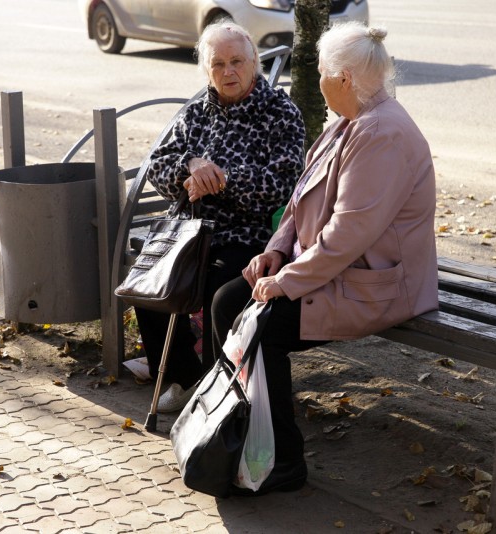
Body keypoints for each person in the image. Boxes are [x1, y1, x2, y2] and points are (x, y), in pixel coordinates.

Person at [212, 22, 438, 494]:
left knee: (261, 328)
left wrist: (288, 280)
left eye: (319, 72)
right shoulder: (348, 120)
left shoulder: (382, 132)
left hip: (371, 282)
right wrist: (276, 251)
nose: (316, 80)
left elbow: (349, 233)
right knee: (227, 302)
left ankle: (283, 461)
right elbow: (301, 203)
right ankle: (251, 437)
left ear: (344, 79)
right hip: (332, 268)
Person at [136, 21, 306, 412]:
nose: (228, 71)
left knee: (219, 289)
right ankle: (185, 379)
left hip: (251, 235)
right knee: (151, 283)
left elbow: (281, 187)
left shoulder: (279, 113)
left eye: (236, 62)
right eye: (218, 64)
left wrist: (221, 180)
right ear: (206, 70)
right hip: (191, 230)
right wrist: (189, 166)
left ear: (254, 63)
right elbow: (157, 165)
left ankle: (224, 393)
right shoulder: (196, 112)